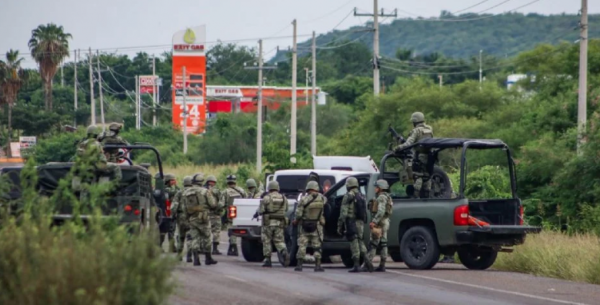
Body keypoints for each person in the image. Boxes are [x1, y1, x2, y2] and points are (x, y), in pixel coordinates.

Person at [337, 177, 373, 273]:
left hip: (351, 222)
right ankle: (368, 261)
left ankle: (356, 265)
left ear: (348, 185)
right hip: (360, 222)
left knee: (354, 242)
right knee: (360, 241)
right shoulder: (361, 195)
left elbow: (343, 213)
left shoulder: (348, 196)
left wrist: (340, 225)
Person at [394, 112, 434, 198]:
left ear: (415, 122)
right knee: (427, 176)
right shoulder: (429, 129)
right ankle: (427, 197)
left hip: (419, 157)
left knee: (417, 176)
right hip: (430, 157)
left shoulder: (416, 131)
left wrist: (398, 147)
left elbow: (409, 143)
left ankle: (415, 198)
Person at [182, 173, 218, 266]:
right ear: (201, 181)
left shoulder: (186, 192)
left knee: (194, 238)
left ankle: (196, 259)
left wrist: (187, 217)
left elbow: (184, 207)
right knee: (207, 237)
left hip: (192, 218)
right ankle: (208, 258)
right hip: (204, 218)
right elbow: (213, 204)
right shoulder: (205, 191)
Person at [293, 181, 326, 272]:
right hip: (317, 226)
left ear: (308, 188)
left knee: (302, 245)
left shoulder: (304, 199)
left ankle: (299, 265)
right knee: (317, 246)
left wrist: (296, 221)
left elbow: (298, 214)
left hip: (305, 226)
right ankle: (318, 265)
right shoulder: (322, 199)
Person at [258, 180, 290, 268]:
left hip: (268, 223)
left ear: (269, 188)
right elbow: (286, 209)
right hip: (279, 223)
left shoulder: (266, 198)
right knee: (279, 241)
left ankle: (268, 260)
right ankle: (284, 251)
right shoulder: (284, 198)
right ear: (277, 188)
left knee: (267, 241)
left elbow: (261, 210)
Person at [366, 179, 393, 272]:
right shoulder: (387, 196)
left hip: (380, 222)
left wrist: (374, 221)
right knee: (384, 243)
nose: (375, 189)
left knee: (373, 243)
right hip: (385, 221)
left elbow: (381, 211)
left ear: (380, 188)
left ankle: (368, 263)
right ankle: (382, 265)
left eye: (377, 187)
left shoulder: (381, 197)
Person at [220, 174, 246, 256]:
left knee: (231, 229)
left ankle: (233, 247)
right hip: (241, 213)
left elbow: (222, 204)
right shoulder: (242, 191)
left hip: (231, 212)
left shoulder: (225, 192)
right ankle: (233, 247)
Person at [171, 176, 193, 262]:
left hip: (181, 217)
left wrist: (173, 215)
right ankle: (189, 255)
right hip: (192, 217)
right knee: (190, 236)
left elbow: (174, 205)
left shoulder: (179, 193)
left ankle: (179, 255)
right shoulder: (194, 193)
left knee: (180, 236)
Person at [206, 175, 224, 255]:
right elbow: (221, 203)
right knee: (216, 231)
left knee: (206, 231)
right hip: (215, 215)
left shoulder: (203, 190)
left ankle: (204, 248)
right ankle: (215, 249)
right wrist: (217, 209)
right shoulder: (217, 191)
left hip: (205, 215)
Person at [162, 173, 179, 253]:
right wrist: (175, 186)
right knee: (164, 231)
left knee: (172, 230)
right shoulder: (166, 189)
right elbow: (173, 192)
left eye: (174, 180)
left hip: (172, 212)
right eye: (172, 180)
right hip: (166, 212)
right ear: (167, 181)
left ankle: (172, 247)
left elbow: (179, 192)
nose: (174, 181)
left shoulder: (174, 188)